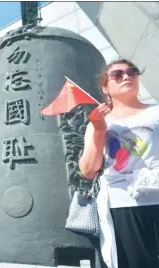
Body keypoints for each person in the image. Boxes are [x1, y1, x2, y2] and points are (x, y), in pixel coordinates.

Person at [79, 59, 159, 268]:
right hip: (123, 204)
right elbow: (88, 170)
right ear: (105, 87)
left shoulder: (156, 112)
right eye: (117, 74)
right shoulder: (100, 121)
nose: (127, 76)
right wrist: (98, 128)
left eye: (131, 72)